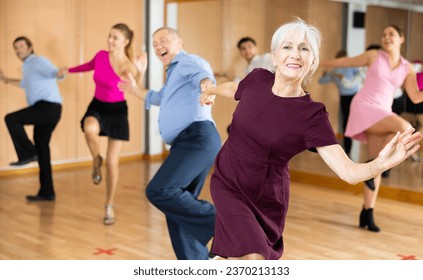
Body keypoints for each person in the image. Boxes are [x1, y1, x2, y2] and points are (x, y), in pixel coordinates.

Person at [199, 18, 422, 260]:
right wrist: (209, 90)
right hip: (227, 181)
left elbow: (348, 172)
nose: (295, 54)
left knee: (245, 260)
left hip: (267, 199)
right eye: (287, 47)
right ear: (274, 56)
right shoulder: (257, 79)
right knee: (253, 258)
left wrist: (381, 164)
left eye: (304, 49)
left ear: (312, 61)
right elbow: (234, 89)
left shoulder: (312, 116)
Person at [118, 27, 221, 260]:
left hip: (197, 138)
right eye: (154, 43)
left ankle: (223, 223)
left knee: (159, 190)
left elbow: (203, 76)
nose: (157, 46)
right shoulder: (174, 75)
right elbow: (159, 97)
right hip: (191, 142)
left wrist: (207, 87)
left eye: (163, 40)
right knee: (179, 209)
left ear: (178, 42)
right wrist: (135, 90)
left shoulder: (187, 62)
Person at [320, 24, 423, 232]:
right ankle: (371, 165)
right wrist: (318, 61)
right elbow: (344, 62)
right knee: (404, 127)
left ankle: (367, 213)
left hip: (383, 111)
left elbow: (415, 97)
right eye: (384, 34)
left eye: (391, 34)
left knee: (378, 165)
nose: (386, 38)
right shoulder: (374, 55)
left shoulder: (406, 67)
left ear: (401, 39)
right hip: (365, 107)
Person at [57, 23, 141, 225]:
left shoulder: (128, 66)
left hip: (117, 112)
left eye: (115, 38)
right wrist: (67, 70)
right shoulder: (101, 56)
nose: (110, 41)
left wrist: (140, 71)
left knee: (113, 164)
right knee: (89, 129)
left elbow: (136, 86)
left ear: (126, 42)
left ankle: (109, 205)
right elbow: (87, 66)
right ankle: (96, 160)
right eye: (109, 36)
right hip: (97, 106)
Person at [0, 36, 62, 202]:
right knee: (42, 148)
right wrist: (6, 80)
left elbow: (54, 72)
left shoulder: (37, 61)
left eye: (21, 46)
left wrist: (60, 73)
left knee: (11, 119)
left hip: (47, 107)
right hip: (49, 110)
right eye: (16, 48)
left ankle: (28, 153)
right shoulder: (27, 67)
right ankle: (47, 192)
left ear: (30, 47)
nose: (18, 50)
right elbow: (24, 84)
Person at [318, 50, 361, 155]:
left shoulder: (351, 66)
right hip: (345, 98)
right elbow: (321, 81)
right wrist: (325, 74)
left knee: (350, 122)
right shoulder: (335, 71)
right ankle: (347, 148)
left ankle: (348, 147)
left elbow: (361, 77)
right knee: (346, 122)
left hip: (355, 97)